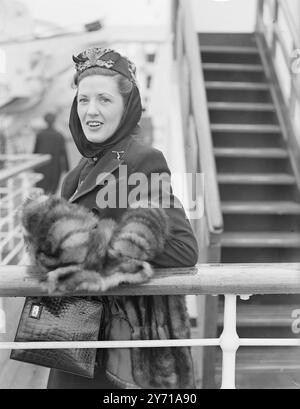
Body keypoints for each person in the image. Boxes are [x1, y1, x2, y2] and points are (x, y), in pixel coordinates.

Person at [47, 47, 199, 389]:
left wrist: (90, 245)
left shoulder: (143, 160)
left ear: (126, 106)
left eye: (104, 99)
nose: (91, 111)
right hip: (73, 338)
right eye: (83, 100)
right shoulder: (76, 174)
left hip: (119, 344)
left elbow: (183, 248)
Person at [33, 112, 69, 194]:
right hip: (55, 167)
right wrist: (67, 168)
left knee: (41, 190)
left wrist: (33, 166)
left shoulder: (40, 135)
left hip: (41, 167)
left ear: (44, 121)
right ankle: (49, 205)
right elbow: (64, 153)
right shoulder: (59, 135)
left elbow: (35, 151)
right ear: (54, 121)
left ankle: (42, 205)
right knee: (52, 191)